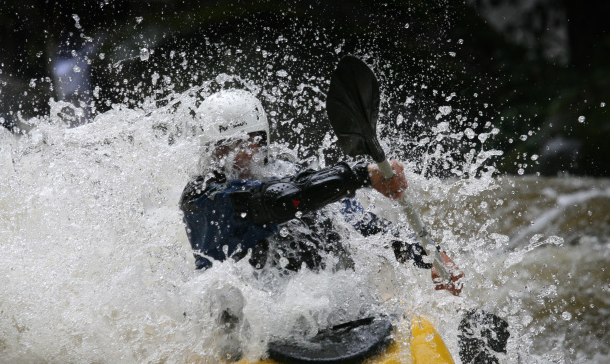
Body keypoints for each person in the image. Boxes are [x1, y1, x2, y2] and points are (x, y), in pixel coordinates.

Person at [180, 89, 463, 295]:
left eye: (249, 141)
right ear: (209, 151)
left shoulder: (285, 172)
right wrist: (361, 175)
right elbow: (274, 201)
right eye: (226, 146)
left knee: (324, 220)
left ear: (264, 140)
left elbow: (361, 225)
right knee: (229, 298)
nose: (241, 155)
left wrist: (429, 255)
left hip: (315, 308)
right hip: (250, 320)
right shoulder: (202, 196)